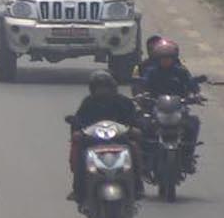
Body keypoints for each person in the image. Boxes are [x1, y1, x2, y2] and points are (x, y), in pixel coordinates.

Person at [66, 72, 141, 201]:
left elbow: (133, 119)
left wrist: (134, 129)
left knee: (133, 149)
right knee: (80, 153)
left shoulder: (123, 102)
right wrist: (77, 131)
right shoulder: (88, 103)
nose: (103, 91)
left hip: (119, 138)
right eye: (99, 87)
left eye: (106, 87)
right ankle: (78, 190)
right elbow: (79, 120)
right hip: (93, 139)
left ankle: (138, 187)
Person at [134, 36, 202, 170]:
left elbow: (191, 83)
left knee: (193, 124)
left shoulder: (181, 72)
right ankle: (144, 158)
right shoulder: (151, 72)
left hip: (177, 109)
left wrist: (196, 94)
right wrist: (142, 95)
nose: (166, 61)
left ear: (173, 58)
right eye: (163, 58)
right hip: (156, 109)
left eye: (169, 58)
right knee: (142, 125)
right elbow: (143, 84)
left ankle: (187, 157)